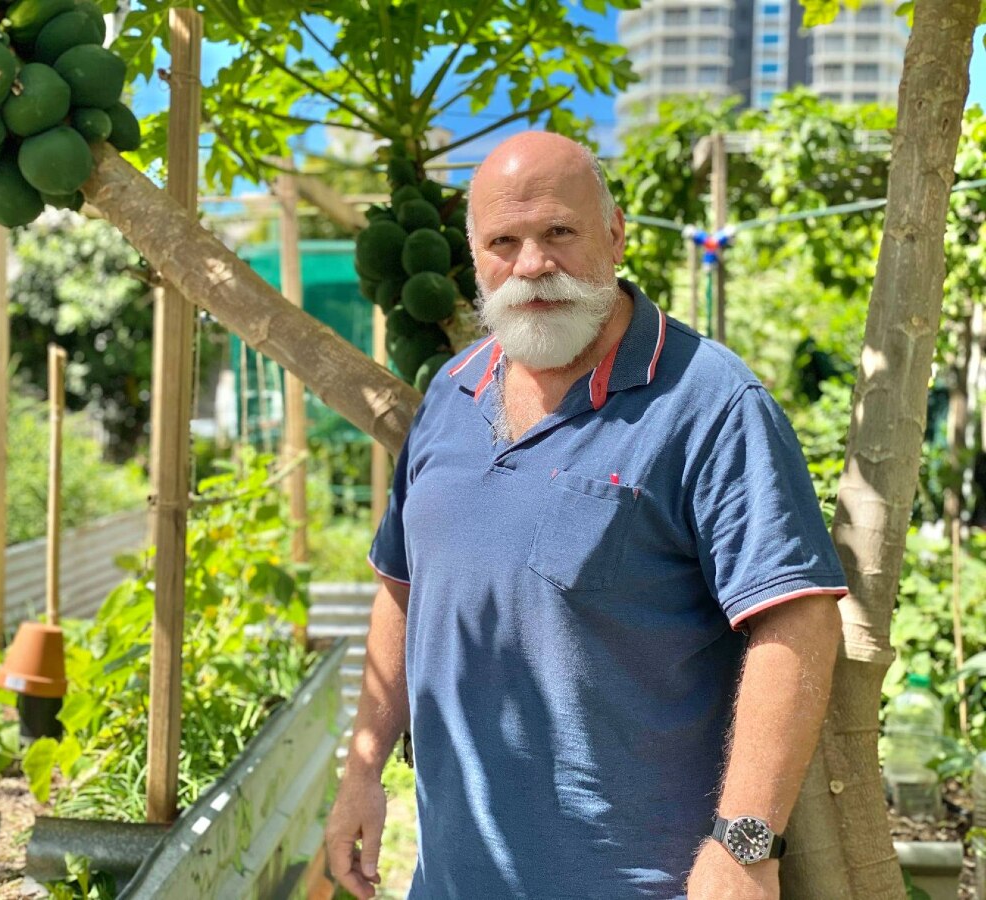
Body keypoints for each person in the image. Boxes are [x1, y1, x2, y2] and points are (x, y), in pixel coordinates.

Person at [325, 131, 847, 900]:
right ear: (475, 257)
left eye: (559, 233)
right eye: (504, 241)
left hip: (636, 881)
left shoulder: (709, 402)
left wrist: (744, 845)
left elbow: (796, 621)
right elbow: (404, 585)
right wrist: (363, 766)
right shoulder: (450, 393)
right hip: (453, 877)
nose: (533, 265)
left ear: (616, 233)